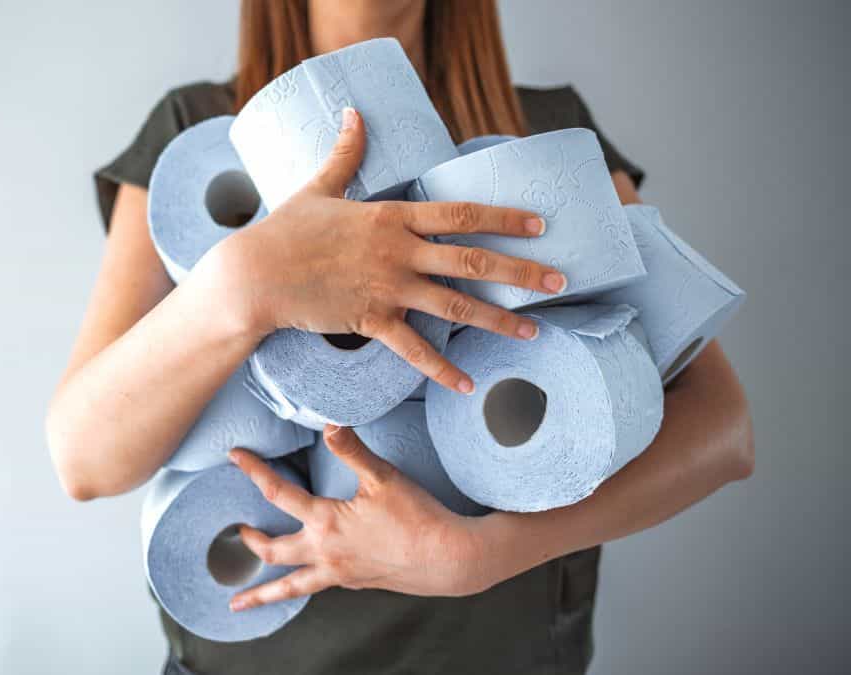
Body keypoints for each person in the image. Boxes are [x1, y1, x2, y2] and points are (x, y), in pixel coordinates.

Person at [48, 1, 755, 673]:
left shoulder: (543, 131)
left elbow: (723, 428)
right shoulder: (207, 134)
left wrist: (483, 554)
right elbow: (84, 458)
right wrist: (249, 280)